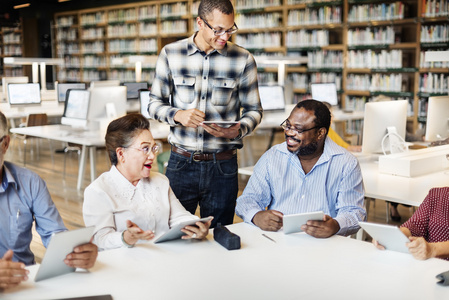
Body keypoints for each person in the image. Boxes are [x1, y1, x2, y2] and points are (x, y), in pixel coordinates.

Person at [148, 0, 263, 227]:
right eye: (218, 30)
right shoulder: (171, 54)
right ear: (200, 22)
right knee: (174, 234)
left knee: (220, 235)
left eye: (230, 29)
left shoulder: (243, 59)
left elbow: (254, 111)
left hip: (223, 167)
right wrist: (178, 115)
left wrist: (239, 129)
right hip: (181, 163)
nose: (224, 37)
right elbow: (153, 105)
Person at [236, 100, 366, 238]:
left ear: (320, 133)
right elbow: (247, 200)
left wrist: (336, 225)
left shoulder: (346, 163)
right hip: (277, 241)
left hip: (325, 245)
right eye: (288, 125)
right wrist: (256, 215)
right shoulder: (272, 157)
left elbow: (354, 213)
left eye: (298, 129)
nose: (289, 133)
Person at [83, 114, 212, 250]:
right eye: (145, 149)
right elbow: (100, 239)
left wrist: (196, 226)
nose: (152, 156)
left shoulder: (160, 181)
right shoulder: (98, 191)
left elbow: (179, 217)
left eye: (153, 148)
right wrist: (125, 237)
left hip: (164, 257)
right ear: (121, 154)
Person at [0, 111, 97, 291]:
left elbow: (55, 236)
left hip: (25, 286)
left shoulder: (30, 183)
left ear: (5, 144)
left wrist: (75, 253)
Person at [374, 187, 449, 260]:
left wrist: (433, 249)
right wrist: (394, 234)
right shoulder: (437, 194)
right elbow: (416, 224)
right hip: (428, 264)